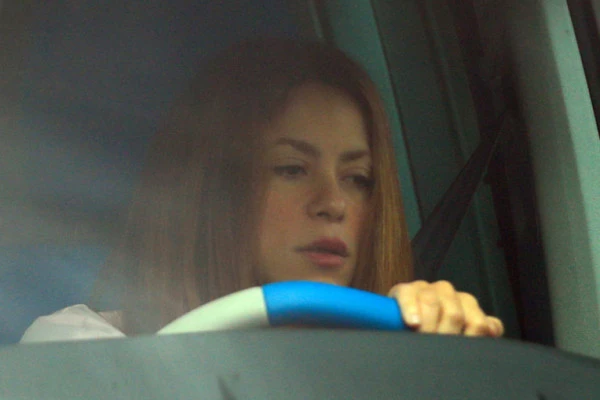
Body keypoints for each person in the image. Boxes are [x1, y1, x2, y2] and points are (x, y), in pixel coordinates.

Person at [21, 38, 504, 343]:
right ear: (212, 192)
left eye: (357, 179)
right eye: (292, 169)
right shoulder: (82, 346)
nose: (333, 203)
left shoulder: (400, 355)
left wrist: (436, 351)